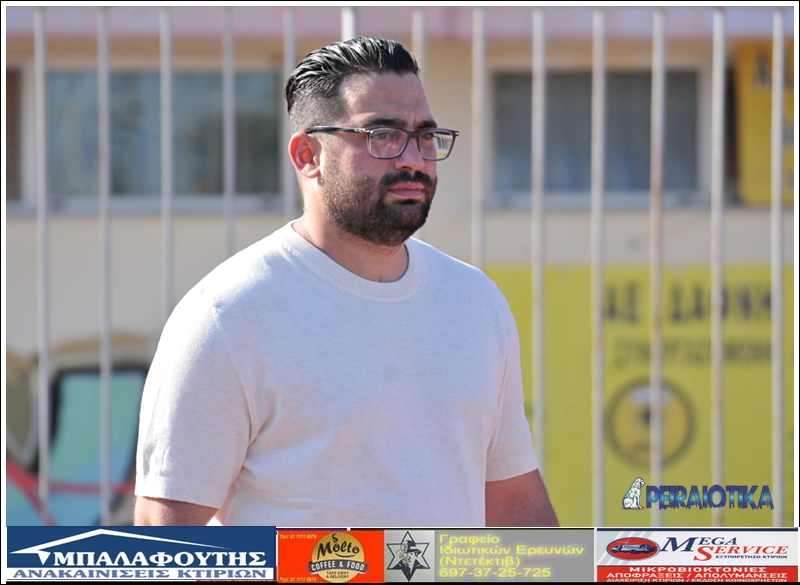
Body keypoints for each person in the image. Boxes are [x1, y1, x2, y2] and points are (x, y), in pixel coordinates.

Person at [134, 37, 558, 527]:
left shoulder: (475, 301)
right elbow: (167, 537)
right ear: (307, 155)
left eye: (425, 136)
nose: (413, 159)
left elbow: (514, 505)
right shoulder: (228, 315)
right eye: (382, 135)